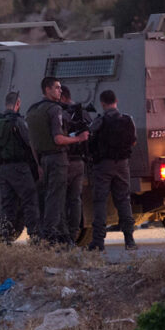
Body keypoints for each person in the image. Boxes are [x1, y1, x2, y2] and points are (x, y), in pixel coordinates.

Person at [25, 77, 90, 246]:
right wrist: (79, 139)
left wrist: (38, 163)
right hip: (58, 158)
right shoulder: (55, 110)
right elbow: (58, 139)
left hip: (43, 160)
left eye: (60, 88)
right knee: (58, 199)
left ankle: (58, 236)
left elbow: (32, 142)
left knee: (50, 197)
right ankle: (52, 235)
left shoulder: (32, 110)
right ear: (47, 90)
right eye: (57, 88)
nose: (60, 91)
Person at [87, 90, 139, 251]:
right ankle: (129, 240)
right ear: (116, 100)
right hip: (122, 164)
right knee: (123, 200)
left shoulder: (99, 121)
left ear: (102, 103)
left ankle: (98, 241)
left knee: (100, 202)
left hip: (103, 165)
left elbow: (90, 139)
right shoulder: (128, 119)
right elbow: (133, 141)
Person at [0, 91, 40, 243]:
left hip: (3, 169)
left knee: (7, 205)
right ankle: (34, 236)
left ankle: (6, 238)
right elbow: (31, 143)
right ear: (18, 104)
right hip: (20, 168)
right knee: (30, 201)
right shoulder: (17, 122)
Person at [59, 86, 92, 244]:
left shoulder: (60, 113)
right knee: (75, 199)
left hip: (64, 161)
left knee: (63, 199)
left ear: (63, 97)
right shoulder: (83, 113)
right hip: (79, 161)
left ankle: (65, 236)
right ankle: (73, 234)